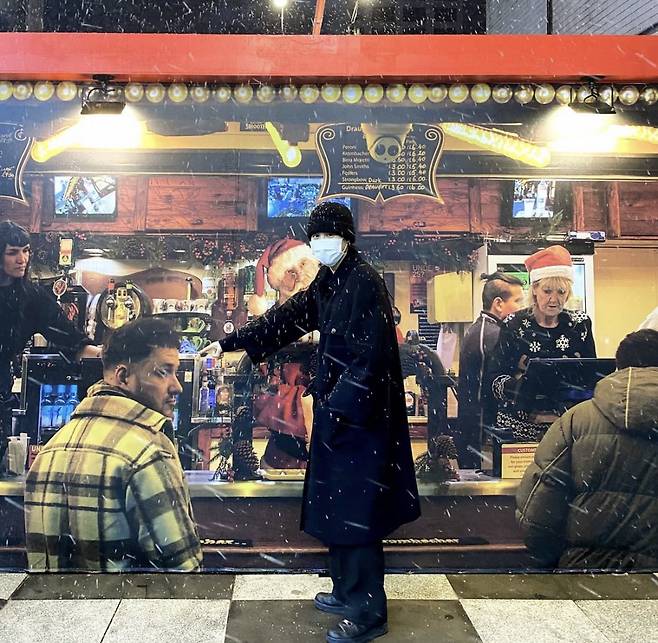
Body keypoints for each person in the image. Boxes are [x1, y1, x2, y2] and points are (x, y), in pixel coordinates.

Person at [204, 202, 420, 643]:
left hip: (363, 421)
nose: (322, 245)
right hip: (339, 414)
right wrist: (233, 341)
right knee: (338, 507)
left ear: (347, 238)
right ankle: (345, 591)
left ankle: (368, 612)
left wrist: (339, 406)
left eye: (329, 236)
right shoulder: (332, 278)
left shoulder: (365, 281)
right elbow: (290, 317)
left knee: (359, 514)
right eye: (316, 237)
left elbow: (372, 357)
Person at [24, 317, 202, 572]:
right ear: (123, 376)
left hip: (52, 610)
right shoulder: (147, 453)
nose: (177, 386)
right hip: (126, 610)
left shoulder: (50, 450)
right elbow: (184, 572)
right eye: (163, 372)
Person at [516, 329, 658, 570]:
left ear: (618, 366)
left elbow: (538, 512)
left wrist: (553, 558)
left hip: (584, 573)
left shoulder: (575, 420)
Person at [0, 221, 101, 452]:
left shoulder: (31, 297)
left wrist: (105, 355)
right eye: (12, 252)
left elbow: (70, 339)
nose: (21, 259)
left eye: (26, 251)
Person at [488, 245, 596, 442]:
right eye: (547, 291)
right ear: (535, 289)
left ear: (569, 293)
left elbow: (592, 376)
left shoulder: (580, 325)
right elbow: (495, 379)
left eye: (561, 292)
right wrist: (522, 388)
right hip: (519, 430)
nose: (554, 299)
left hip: (568, 427)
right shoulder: (513, 324)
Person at [457, 272, 525, 468]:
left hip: (473, 430)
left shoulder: (479, 329)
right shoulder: (494, 334)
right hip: (483, 433)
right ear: (498, 304)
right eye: (518, 301)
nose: (522, 308)